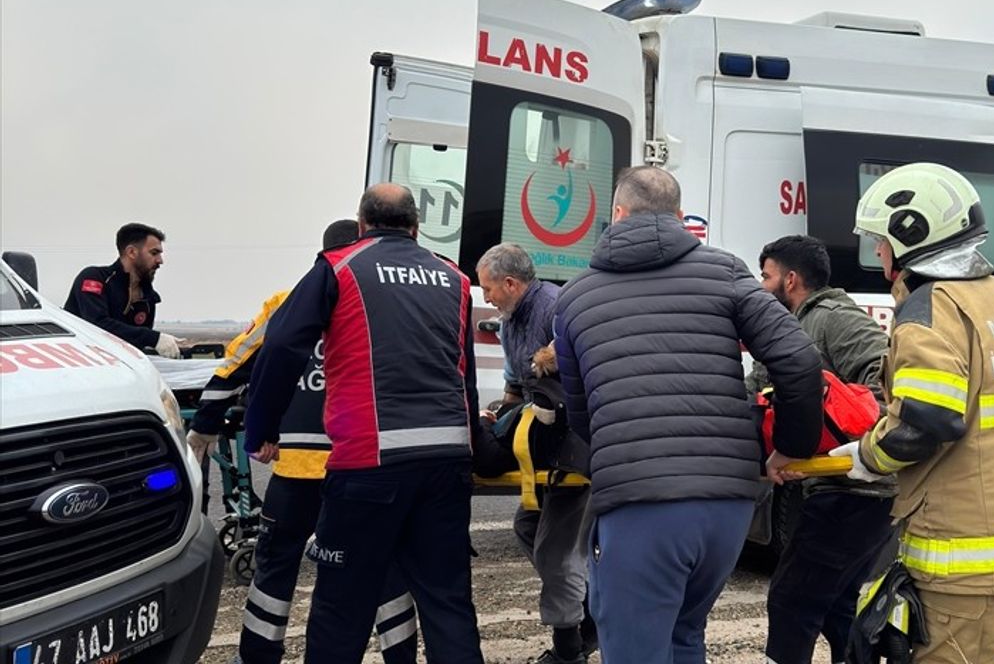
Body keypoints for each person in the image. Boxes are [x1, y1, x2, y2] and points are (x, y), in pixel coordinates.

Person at [552, 166, 824, 664]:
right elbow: (800, 358)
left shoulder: (573, 298)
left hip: (641, 503)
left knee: (636, 649)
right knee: (682, 635)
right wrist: (792, 445)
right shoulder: (725, 271)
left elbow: (581, 412)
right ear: (680, 218)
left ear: (617, 214)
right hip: (727, 508)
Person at [241, 184, 484, 664]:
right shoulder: (454, 279)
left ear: (360, 225)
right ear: (416, 226)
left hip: (369, 465)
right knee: (447, 601)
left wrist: (262, 427)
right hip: (447, 462)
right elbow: (465, 376)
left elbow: (283, 345)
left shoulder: (339, 266)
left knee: (342, 606)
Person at [838, 163, 994, 664]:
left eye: (881, 240)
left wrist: (865, 456)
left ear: (910, 236)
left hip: (967, 554)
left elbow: (925, 425)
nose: (878, 252)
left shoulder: (931, 311)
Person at [186, 220, 418, 664]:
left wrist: (207, 426)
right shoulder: (384, 306)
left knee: (275, 570)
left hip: (296, 472)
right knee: (385, 567)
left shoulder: (285, 304)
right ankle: (401, 657)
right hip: (364, 467)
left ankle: (257, 657)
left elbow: (233, 368)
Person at [748, 235, 893, 664]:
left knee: (791, 602)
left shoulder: (834, 318)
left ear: (790, 280)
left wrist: (829, 437)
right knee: (835, 607)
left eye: (766, 276)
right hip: (838, 491)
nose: (761, 285)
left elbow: (886, 387)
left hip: (856, 492)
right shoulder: (788, 326)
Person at [476, 243, 595, 664]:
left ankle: (571, 649)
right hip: (541, 440)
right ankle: (589, 616)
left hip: (573, 445)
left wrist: (549, 364)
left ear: (511, 283)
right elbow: (515, 389)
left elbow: (583, 373)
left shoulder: (556, 308)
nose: (485, 297)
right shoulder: (510, 321)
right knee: (528, 527)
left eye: (488, 288)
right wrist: (497, 414)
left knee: (555, 549)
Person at [65, 222, 181, 357]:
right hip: (80, 364)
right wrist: (153, 338)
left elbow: (136, 345)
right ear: (131, 252)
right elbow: (96, 325)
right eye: (154, 253)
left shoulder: (148, 297)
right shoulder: (94, 279)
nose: (160, 261)